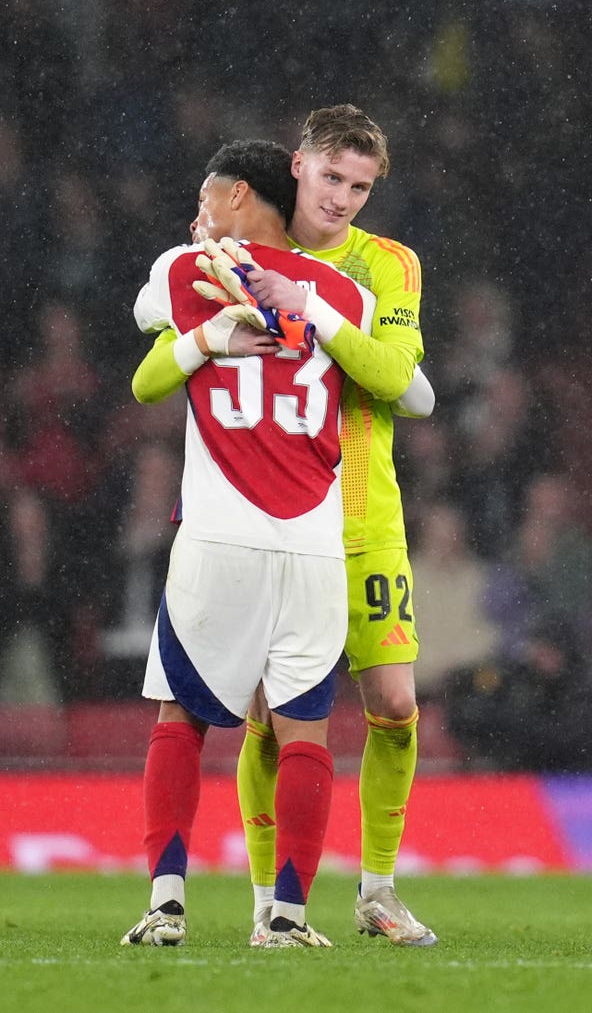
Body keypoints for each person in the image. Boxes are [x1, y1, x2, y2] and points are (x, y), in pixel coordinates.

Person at [121, 138, 383, 949]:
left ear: (239, 195)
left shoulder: (184, 269)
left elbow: (147, 356)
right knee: (304, 728)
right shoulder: (343, 294)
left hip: (219, 530)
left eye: (208, 196)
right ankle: (289, 917)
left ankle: (166, 904)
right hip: (312, 539)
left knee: (179, 718)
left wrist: (207, 328)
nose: (198, 212)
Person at [219, 106, 438, 947]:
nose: (344, 197)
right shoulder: (251, 243)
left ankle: (377, 889)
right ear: (297, 164)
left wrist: (313, 311)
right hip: (276, 515)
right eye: (332, 177)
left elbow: (390, 372)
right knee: (270, 718)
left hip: (368, 514)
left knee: (394, 703)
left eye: (361, 185)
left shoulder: (390, 263)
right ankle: (269, 899)